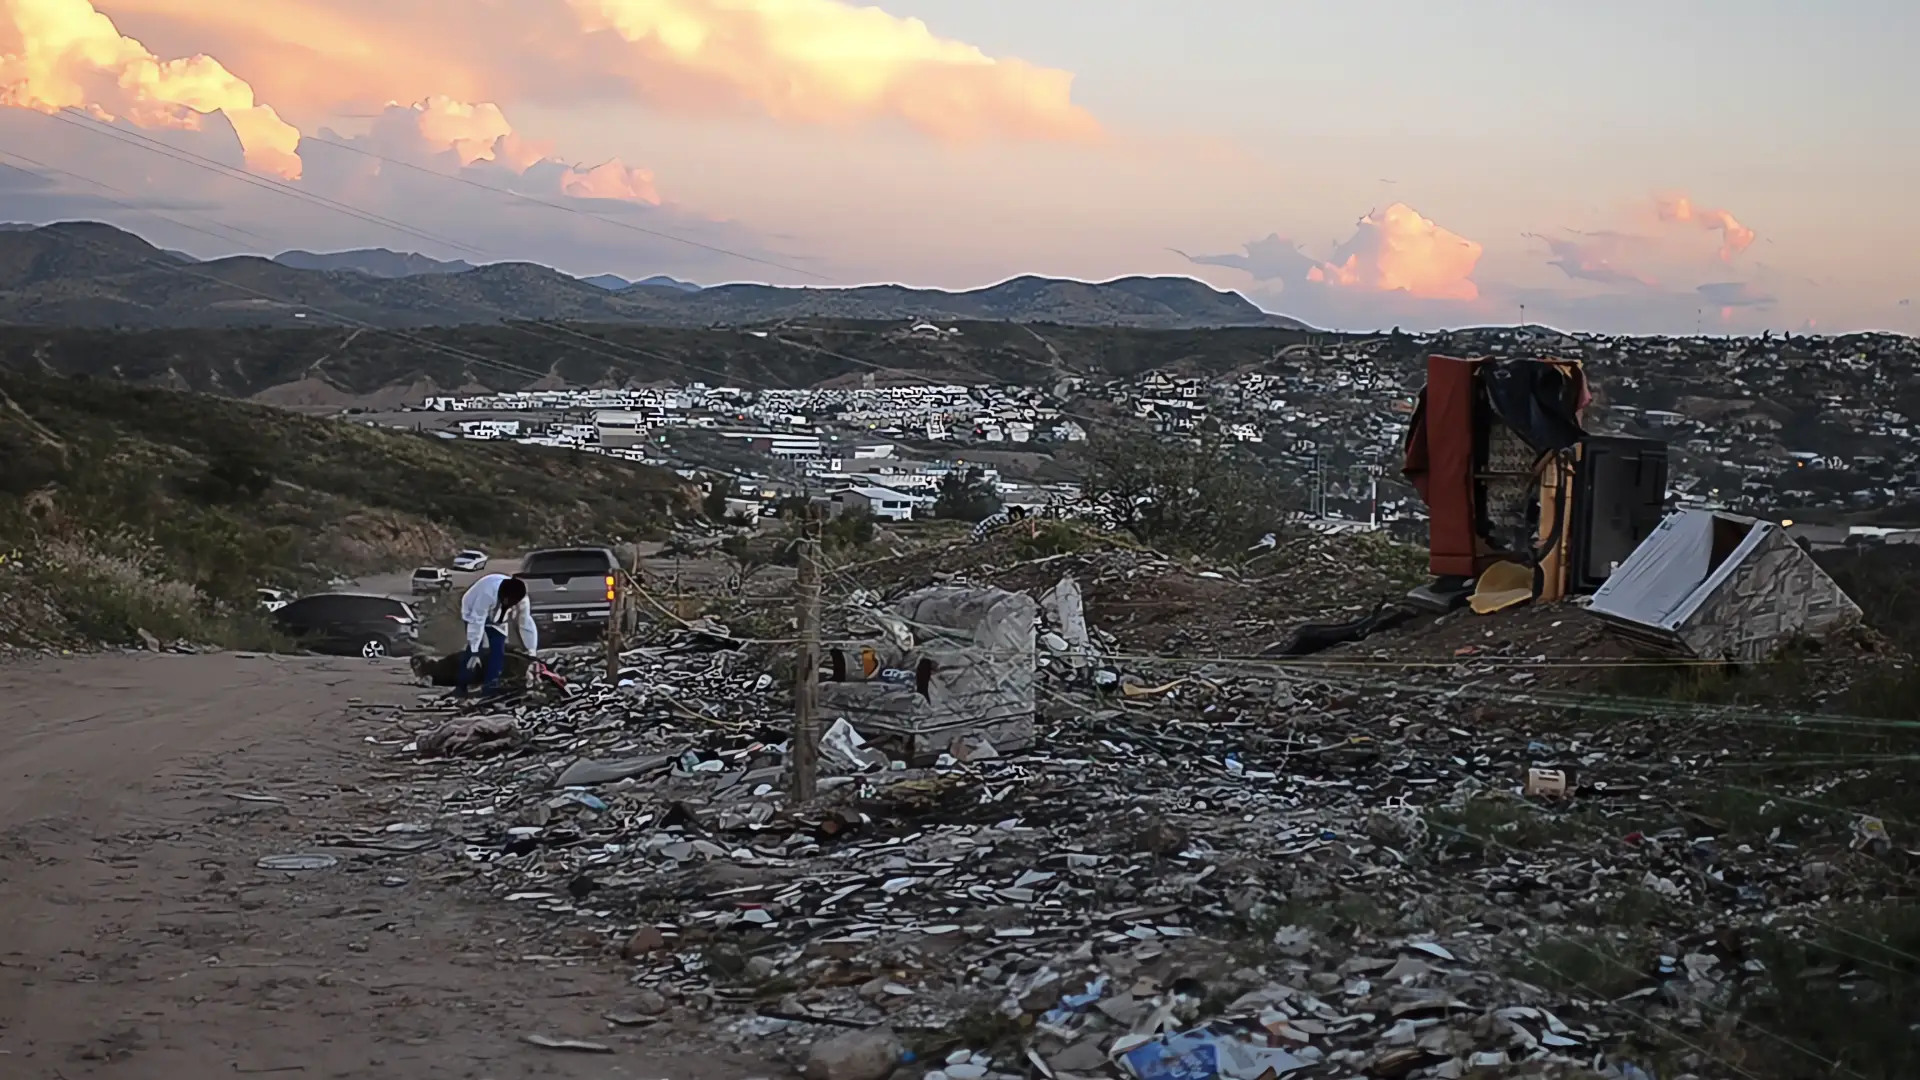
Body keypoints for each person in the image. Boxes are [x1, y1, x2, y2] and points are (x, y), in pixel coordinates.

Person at [457, 573, 538, 697]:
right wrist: (474, 652)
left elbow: (525, 624)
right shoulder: (487, 594)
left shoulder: (522, 600)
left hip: (498, 620)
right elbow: (477, 622)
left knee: (498, 649)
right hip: (472, 609)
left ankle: (490, 687)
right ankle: (462, 685)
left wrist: (532, 652)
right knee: (475, 650)